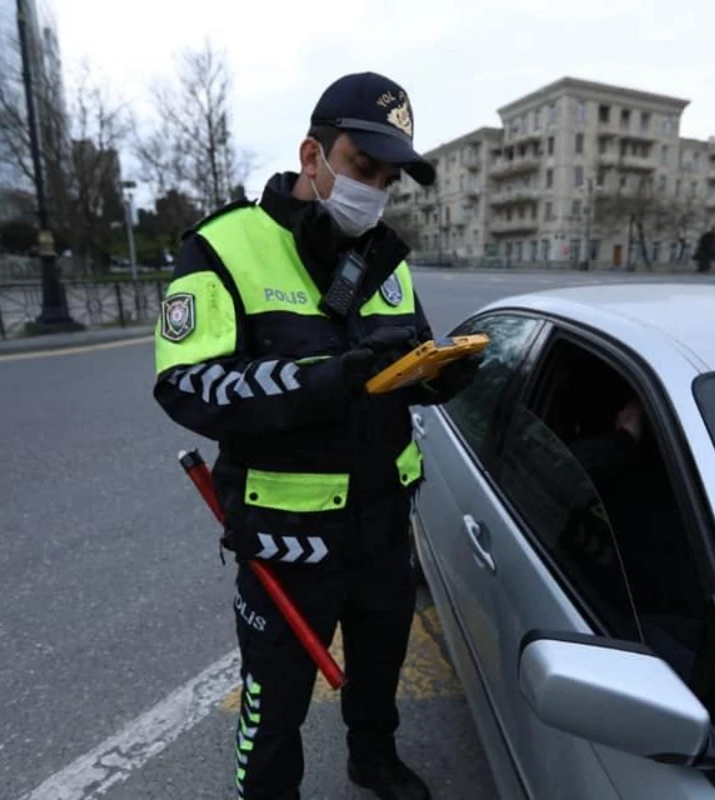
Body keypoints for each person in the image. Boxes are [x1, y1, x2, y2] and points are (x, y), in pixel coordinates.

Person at [152, 71, 478, 800]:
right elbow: (188, 385)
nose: (377, 188)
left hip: (384, 528)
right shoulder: (223, 247)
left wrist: (436, 376)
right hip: (287, 538)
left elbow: (403, 356)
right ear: (312, 155)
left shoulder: (385, 259)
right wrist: (328, 379)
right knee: (275, 703)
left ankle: (374, 757)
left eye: (390, 176)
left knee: (382, 661)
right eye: (364, 167)